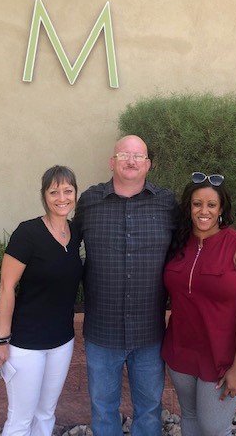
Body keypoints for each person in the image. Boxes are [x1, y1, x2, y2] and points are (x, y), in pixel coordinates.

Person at [74, 135, 177, 436]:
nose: (131, 161)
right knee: (103, 408)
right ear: (112, 162)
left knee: (149, 408)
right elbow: (65, 246)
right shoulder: (90, 201)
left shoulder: (167, 203)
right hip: (101, 331)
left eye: (138, 156)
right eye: (124, 155)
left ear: (148, 164)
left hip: (149, 331)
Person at [161, 172, 236, 436]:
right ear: (189, 208)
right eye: (197, 204)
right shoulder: (178, 244)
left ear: (221, 209)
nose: (203, 211)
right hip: (181, 352)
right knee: (191, 418)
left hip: (221, 358)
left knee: (214, 427)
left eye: (211, 205)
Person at [0, 165, 83, 436]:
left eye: (68, 190)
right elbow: (7, 287)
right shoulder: (27, 233)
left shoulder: (75, 232)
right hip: (26, 345)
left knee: (46, 414)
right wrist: (2, 340)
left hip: (62, 341)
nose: (62, 197)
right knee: (20, 420)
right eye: (54, 191)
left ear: (75, 194)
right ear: (44, 196)